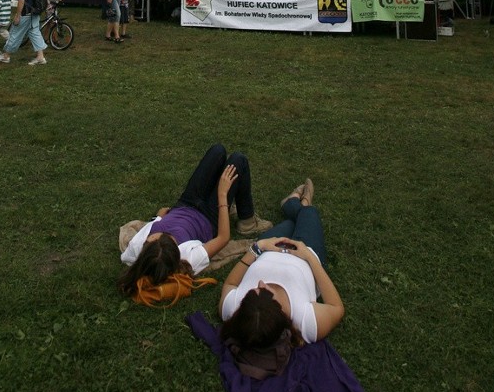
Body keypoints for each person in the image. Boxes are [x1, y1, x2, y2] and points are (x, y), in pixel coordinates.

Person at [218, 179, 345, 377]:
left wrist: (257, 248)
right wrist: (310, 257)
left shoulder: (234, 310)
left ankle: (295, 207)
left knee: (289, 224)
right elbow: (336, 308)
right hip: (305, 251)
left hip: (268, 247)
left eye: (254, 290)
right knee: (309, 214)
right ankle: (296, 204)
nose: (260, 283)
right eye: (265, 291)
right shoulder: (304, 321)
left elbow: (231, 283)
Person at [118, 144, 270, 301]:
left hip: (185, 203)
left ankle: (224, 196)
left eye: (153, 236)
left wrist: (158, 218)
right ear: (176, 252)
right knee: (238, 160)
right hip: (209, 217)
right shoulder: (188, 259)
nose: (160, 233)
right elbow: (223, 238)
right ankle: (248, 221)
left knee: (217, 151)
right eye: (168, 238)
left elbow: (150, 228)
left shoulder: (136, 249)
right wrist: (222, 196)